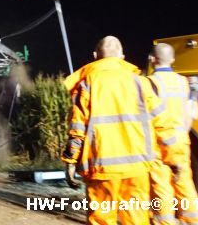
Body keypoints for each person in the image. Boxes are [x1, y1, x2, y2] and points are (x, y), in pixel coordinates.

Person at [62, 36, 184, 225]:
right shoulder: (141, 83)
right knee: (136, 219)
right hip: (137, 168)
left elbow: (78, 127)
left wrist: (70, 161)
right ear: (122, 56)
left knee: (102, 220)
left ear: (95, 56)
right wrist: (174, 159)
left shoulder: (87, 84)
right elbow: (163, 124)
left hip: (101, 169)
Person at [147, 43, 198, 225]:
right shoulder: (183, 82)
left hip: (158, 145)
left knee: (161, 188)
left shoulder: (149, 83)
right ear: (172, 59)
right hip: (180, 142)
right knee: (185, 185)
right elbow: (191, 113)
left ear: (151, 59)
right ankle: (194, 221)